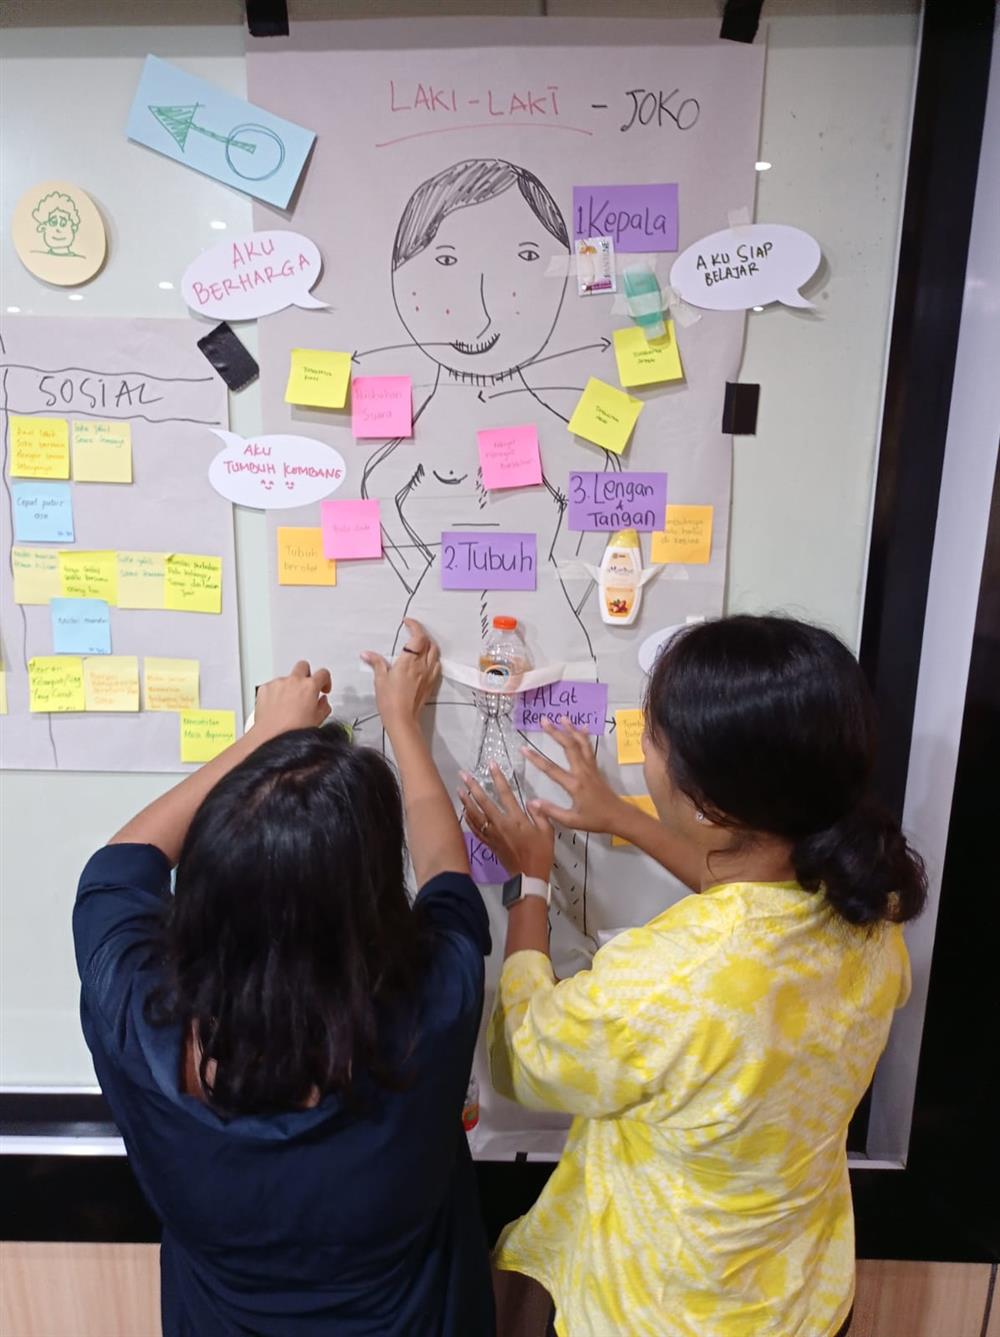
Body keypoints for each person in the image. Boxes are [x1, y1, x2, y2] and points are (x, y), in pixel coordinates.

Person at [459, 614, 927, 1337]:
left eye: (650, 737)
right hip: (801, 1296)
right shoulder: (868, 913)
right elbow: (755, 905)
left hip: (664, 1309)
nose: (640, 745)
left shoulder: (673, 977)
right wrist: (624, 818)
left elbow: (525, 1056)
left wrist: (530, 882)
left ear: (709, 804)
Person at [73, 622, 495, 1337]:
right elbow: (448, 878)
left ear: (201, 893)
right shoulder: (432, 1008)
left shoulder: (137, 1023)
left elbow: (116, 868)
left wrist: (258, 743)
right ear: (371, 900)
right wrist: (403, 724)